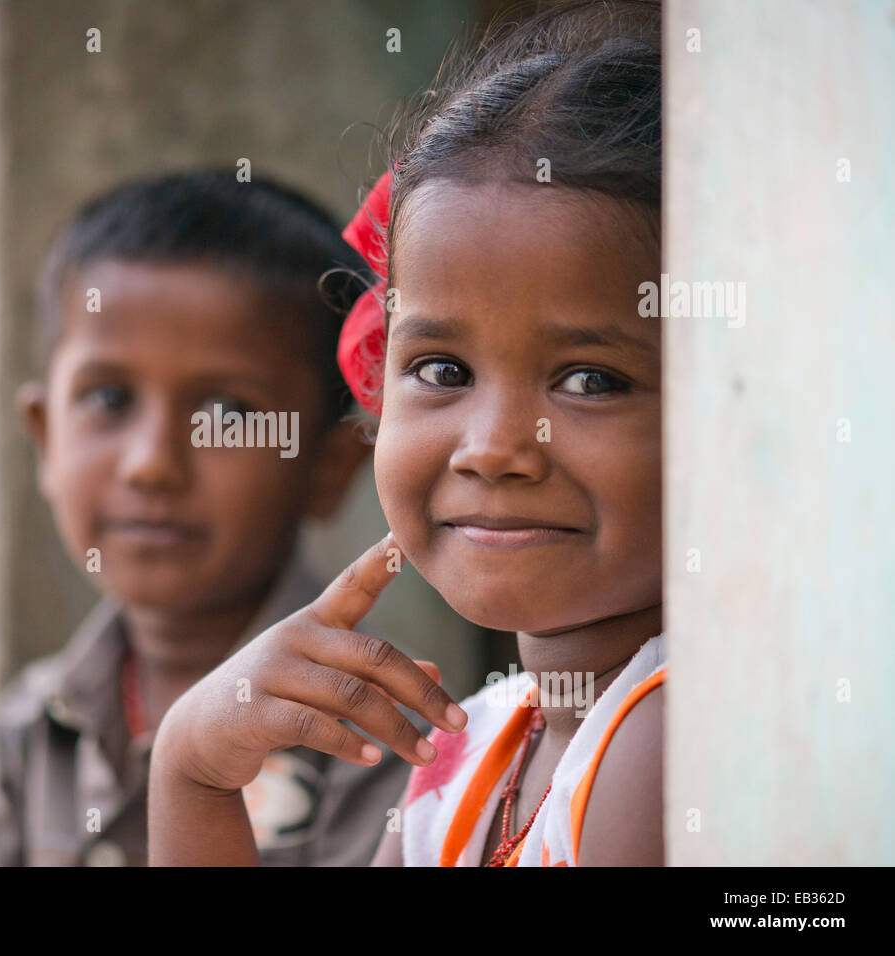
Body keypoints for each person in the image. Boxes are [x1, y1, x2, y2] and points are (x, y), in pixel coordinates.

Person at [149, 0, 666, 867]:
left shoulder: (668, 742)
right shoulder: (475, 747)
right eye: (443, 370)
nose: (494, 446)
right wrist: (192, 775)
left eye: (591, 380)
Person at [0, 169, 427, 866]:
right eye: (109, 398)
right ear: (44, 436)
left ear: (329, 468)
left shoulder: (378, 736)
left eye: (227, 414)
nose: (151, 463)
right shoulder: (37, 724)